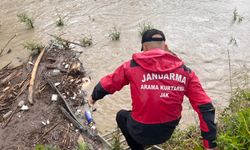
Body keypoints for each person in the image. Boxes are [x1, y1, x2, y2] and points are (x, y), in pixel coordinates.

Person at [88, 29, 217, 150]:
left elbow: (110, 82)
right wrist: (209, 144)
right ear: (165, 46)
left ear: (144, 48)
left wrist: (94, 96)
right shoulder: (186, 72)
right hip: (167, 132)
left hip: (139, 130)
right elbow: (205, 107)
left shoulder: (131, 67)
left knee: (121, 116)